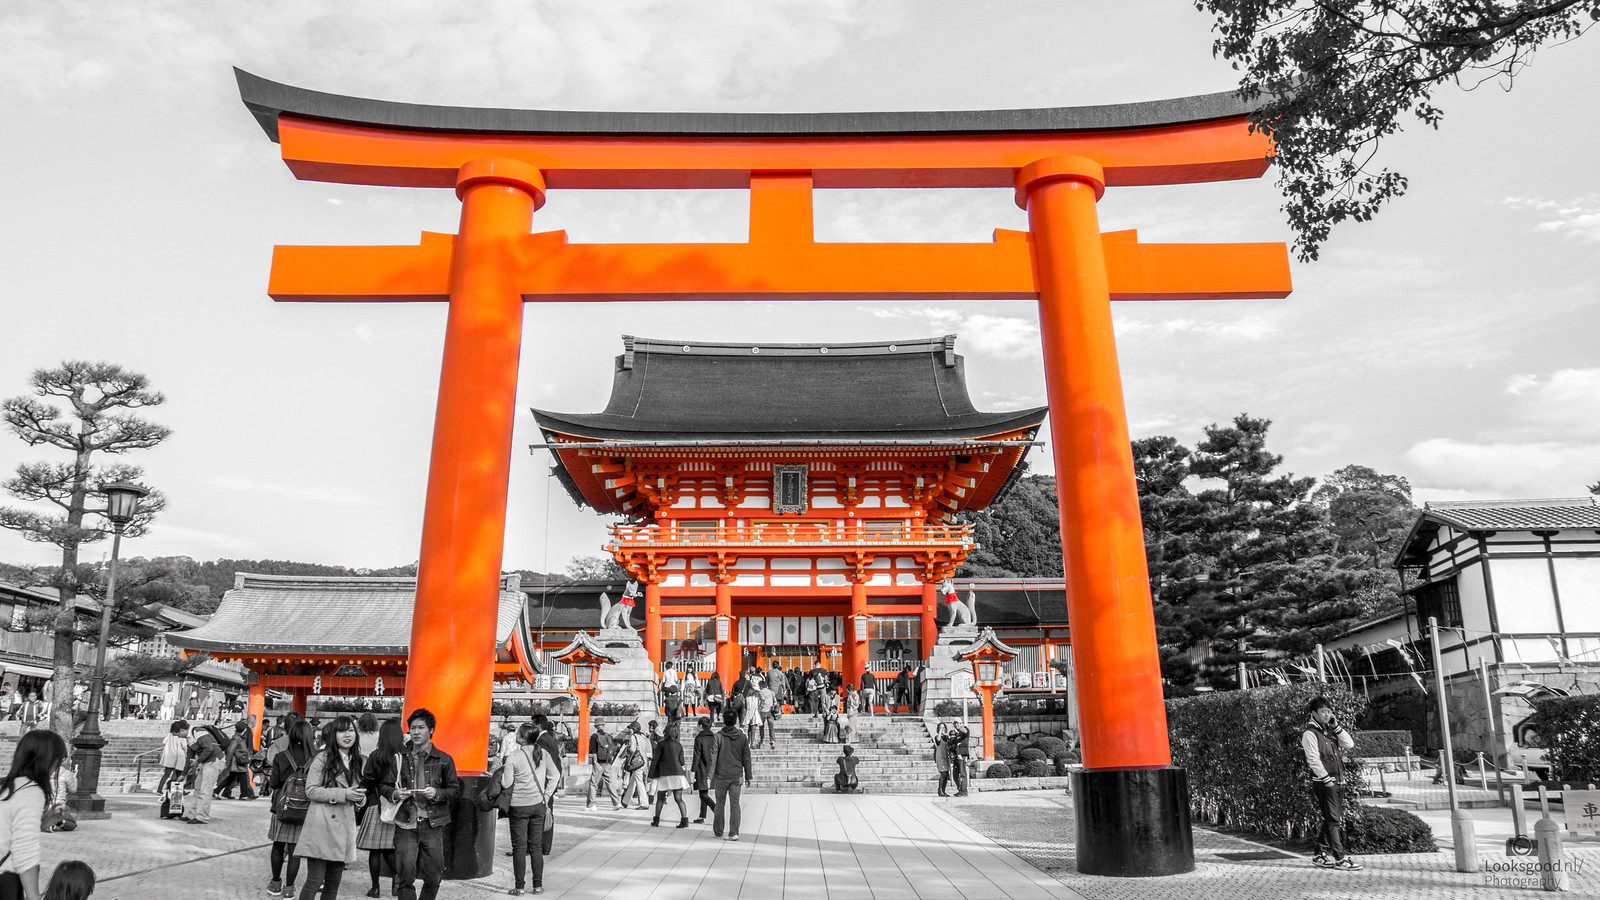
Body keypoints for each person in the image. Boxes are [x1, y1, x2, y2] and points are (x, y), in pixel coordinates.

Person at [383, 708, 462, 900]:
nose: (416, 732)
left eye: (421, 728)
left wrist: (437, 793)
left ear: (431, 730)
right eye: (412, 728)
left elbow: (454, 790)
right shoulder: (400, 758)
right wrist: (395, 793)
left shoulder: (444, 759)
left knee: (434, 876)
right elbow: (384, 786)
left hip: (432, 825)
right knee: (405, 876)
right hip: (405, 824)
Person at [295, 715, 367, 900]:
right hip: (322, 825)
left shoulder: (357, 760)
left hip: (344, 827)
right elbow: (311, 790)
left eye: (350, 730)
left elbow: (356, 790)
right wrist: (343, 794)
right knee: (314, 881)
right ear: (334, 735)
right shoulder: (323, 758)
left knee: (333, 883)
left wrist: (360, 799)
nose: (347, 735)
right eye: (341, 731)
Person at [0, 730, 69, 900]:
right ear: (48, 760)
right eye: (58, 760)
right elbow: (24, 852)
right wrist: (33, 897)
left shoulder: (7, 786)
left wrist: (41, 823)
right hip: (4, 879)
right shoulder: (30, 792)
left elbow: (6, 830)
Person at [501, 723, 561, 896]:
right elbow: (555, 775)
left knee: (519, 847)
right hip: (538, 804)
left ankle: (519, 887)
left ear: (522, 738)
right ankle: (537, 886)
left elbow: (506, 783)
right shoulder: (543, 753)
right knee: (535, 846)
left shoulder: (514, 756)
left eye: (518, 734)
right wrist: (546, 795)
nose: (516, 736)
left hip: (519, 806)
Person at [1302, 697, 1361, 871]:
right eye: (1323, 711)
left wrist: (1337, 727)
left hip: (1338, 781)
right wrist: (1326, 779)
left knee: (1331, 819)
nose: (1327, 715)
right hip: (1325, 782)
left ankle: (1319, 854)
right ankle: (1340, 858)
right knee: (1333, 821)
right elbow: (1313, 759)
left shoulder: (1329, 732)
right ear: (1314, 713)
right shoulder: (1310, 733)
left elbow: (1349, 744)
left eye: (1329, 711)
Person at [266, 719, 316, 897]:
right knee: (295, 850)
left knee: (278, 846)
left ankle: (275, 883)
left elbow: (273, 784)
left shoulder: (281, 757)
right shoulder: (316, 758)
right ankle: (289, 889)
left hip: (282, 808)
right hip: (305, 810)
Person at [359, 719, 404, 899]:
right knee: (389, 848)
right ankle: (396, 877)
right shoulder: (404, 756)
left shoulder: (376, 756)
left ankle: (375, 888)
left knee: (375, 850)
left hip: (375, 803)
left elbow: (368, 779)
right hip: (396, 806)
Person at [710, 711, 753, 841]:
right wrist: (748, 776)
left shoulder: (718, 736)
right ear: (736, 721)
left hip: (721, 775)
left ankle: (718, 830)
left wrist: (709, 775)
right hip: (736, 775)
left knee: (719, 804)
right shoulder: (742, 737)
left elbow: (713, 757)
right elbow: (746, 758)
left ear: (724, 720)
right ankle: (734, 833)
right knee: (735, 804)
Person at [182, 724, 228, 824]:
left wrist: (198, 761)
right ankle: (193, 814)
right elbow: (189, 757)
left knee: (205, 790)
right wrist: (183, 774)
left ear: (182, 730)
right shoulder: (189, 738)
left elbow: (209, 748)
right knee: (198, 788)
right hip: (206, 762)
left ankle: (203, 816)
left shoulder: (198, 731)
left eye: (177, 734)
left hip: (214, 760)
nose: (178, 736)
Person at [648, 721, 690, 829]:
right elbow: (682, 762)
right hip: (677, 774)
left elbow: (655, 760)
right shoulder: (679, 745)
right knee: (679, 799)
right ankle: (684, 820)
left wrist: (650, 775)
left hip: (665, 774)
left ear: (665, 732)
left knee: (660, 798)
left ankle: (656, 820)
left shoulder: (661, 745)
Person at [217, 720, 257, 800]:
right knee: (243, 777)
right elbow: (230, 750)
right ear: (244, 729)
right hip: (237, 762)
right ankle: (244, 795)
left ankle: (216, 791)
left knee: (231, 778)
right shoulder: (236, 738)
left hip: (238, 761)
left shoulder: (239, 737)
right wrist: (227, 762)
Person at [585, 720, 620, 810]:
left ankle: (591, 805)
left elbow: (593, 750)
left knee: (593, 783)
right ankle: (617, 803)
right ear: (603, 726)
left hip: (599, 762)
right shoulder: (609, 736)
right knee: (609, 782)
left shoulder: (594, 736)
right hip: (608, 762)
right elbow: (613, 749)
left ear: (596, 727)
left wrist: (595, 762)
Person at [689, 717, 717, 825]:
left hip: (702, 768)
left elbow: (696, 757)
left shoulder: (699, 738)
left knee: (703, 794)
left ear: (700, 726)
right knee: (703, 792)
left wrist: (693, 771)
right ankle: (702, 816)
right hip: (712, 768)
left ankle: (716, 809)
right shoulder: (714, 737)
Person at [618, 722, 650, 810]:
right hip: (643, 761)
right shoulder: (642, 737)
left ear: (634, 729)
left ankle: (644, 803)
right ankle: (625, 801)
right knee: (633, 782)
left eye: (631, 729)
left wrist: (626, 750)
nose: (630, 730)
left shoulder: (633, 737)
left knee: (639, 783)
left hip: (637, 763)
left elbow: (632, 749)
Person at [158, 720, 189, 793]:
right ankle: (178, 790)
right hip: (179, 756)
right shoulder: (182, 736)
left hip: (169, 755)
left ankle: (159, 789)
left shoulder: (170, 734)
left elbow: (164, 742)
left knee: (166, 774)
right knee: (179, 774)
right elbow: (185, 747)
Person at [947, 724, 971, 797]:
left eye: (957, 723)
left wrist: (960, 726)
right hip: (956, 757)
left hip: (962, 756)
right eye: (955, 724)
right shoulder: (957, 736)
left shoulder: (964, 732)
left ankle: (964, 791)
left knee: (963, 774)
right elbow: (952, 747)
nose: (956, 725)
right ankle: (960, 789)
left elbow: (965, 732)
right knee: (955, 775)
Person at [756, 680, 777, 750]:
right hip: (770, 711)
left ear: (761, 686)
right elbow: (775, 702)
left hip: (763, 711)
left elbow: (762, 700)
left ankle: (762, 740)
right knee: (771, 727)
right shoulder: (771, 692)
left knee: (761, 726)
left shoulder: (761, 692)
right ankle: (773, 741)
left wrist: (759, 708)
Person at [933, 723, 952, 797]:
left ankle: (944, 791)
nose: (942, 728)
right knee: (943, 774)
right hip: (940, 757)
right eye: (940, 727)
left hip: (946, 757)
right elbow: (938, 740)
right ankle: (940, 790)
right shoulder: (937, 737)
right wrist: (940, 731)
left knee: (946, 774)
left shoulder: (946, 737)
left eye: (943, 727)